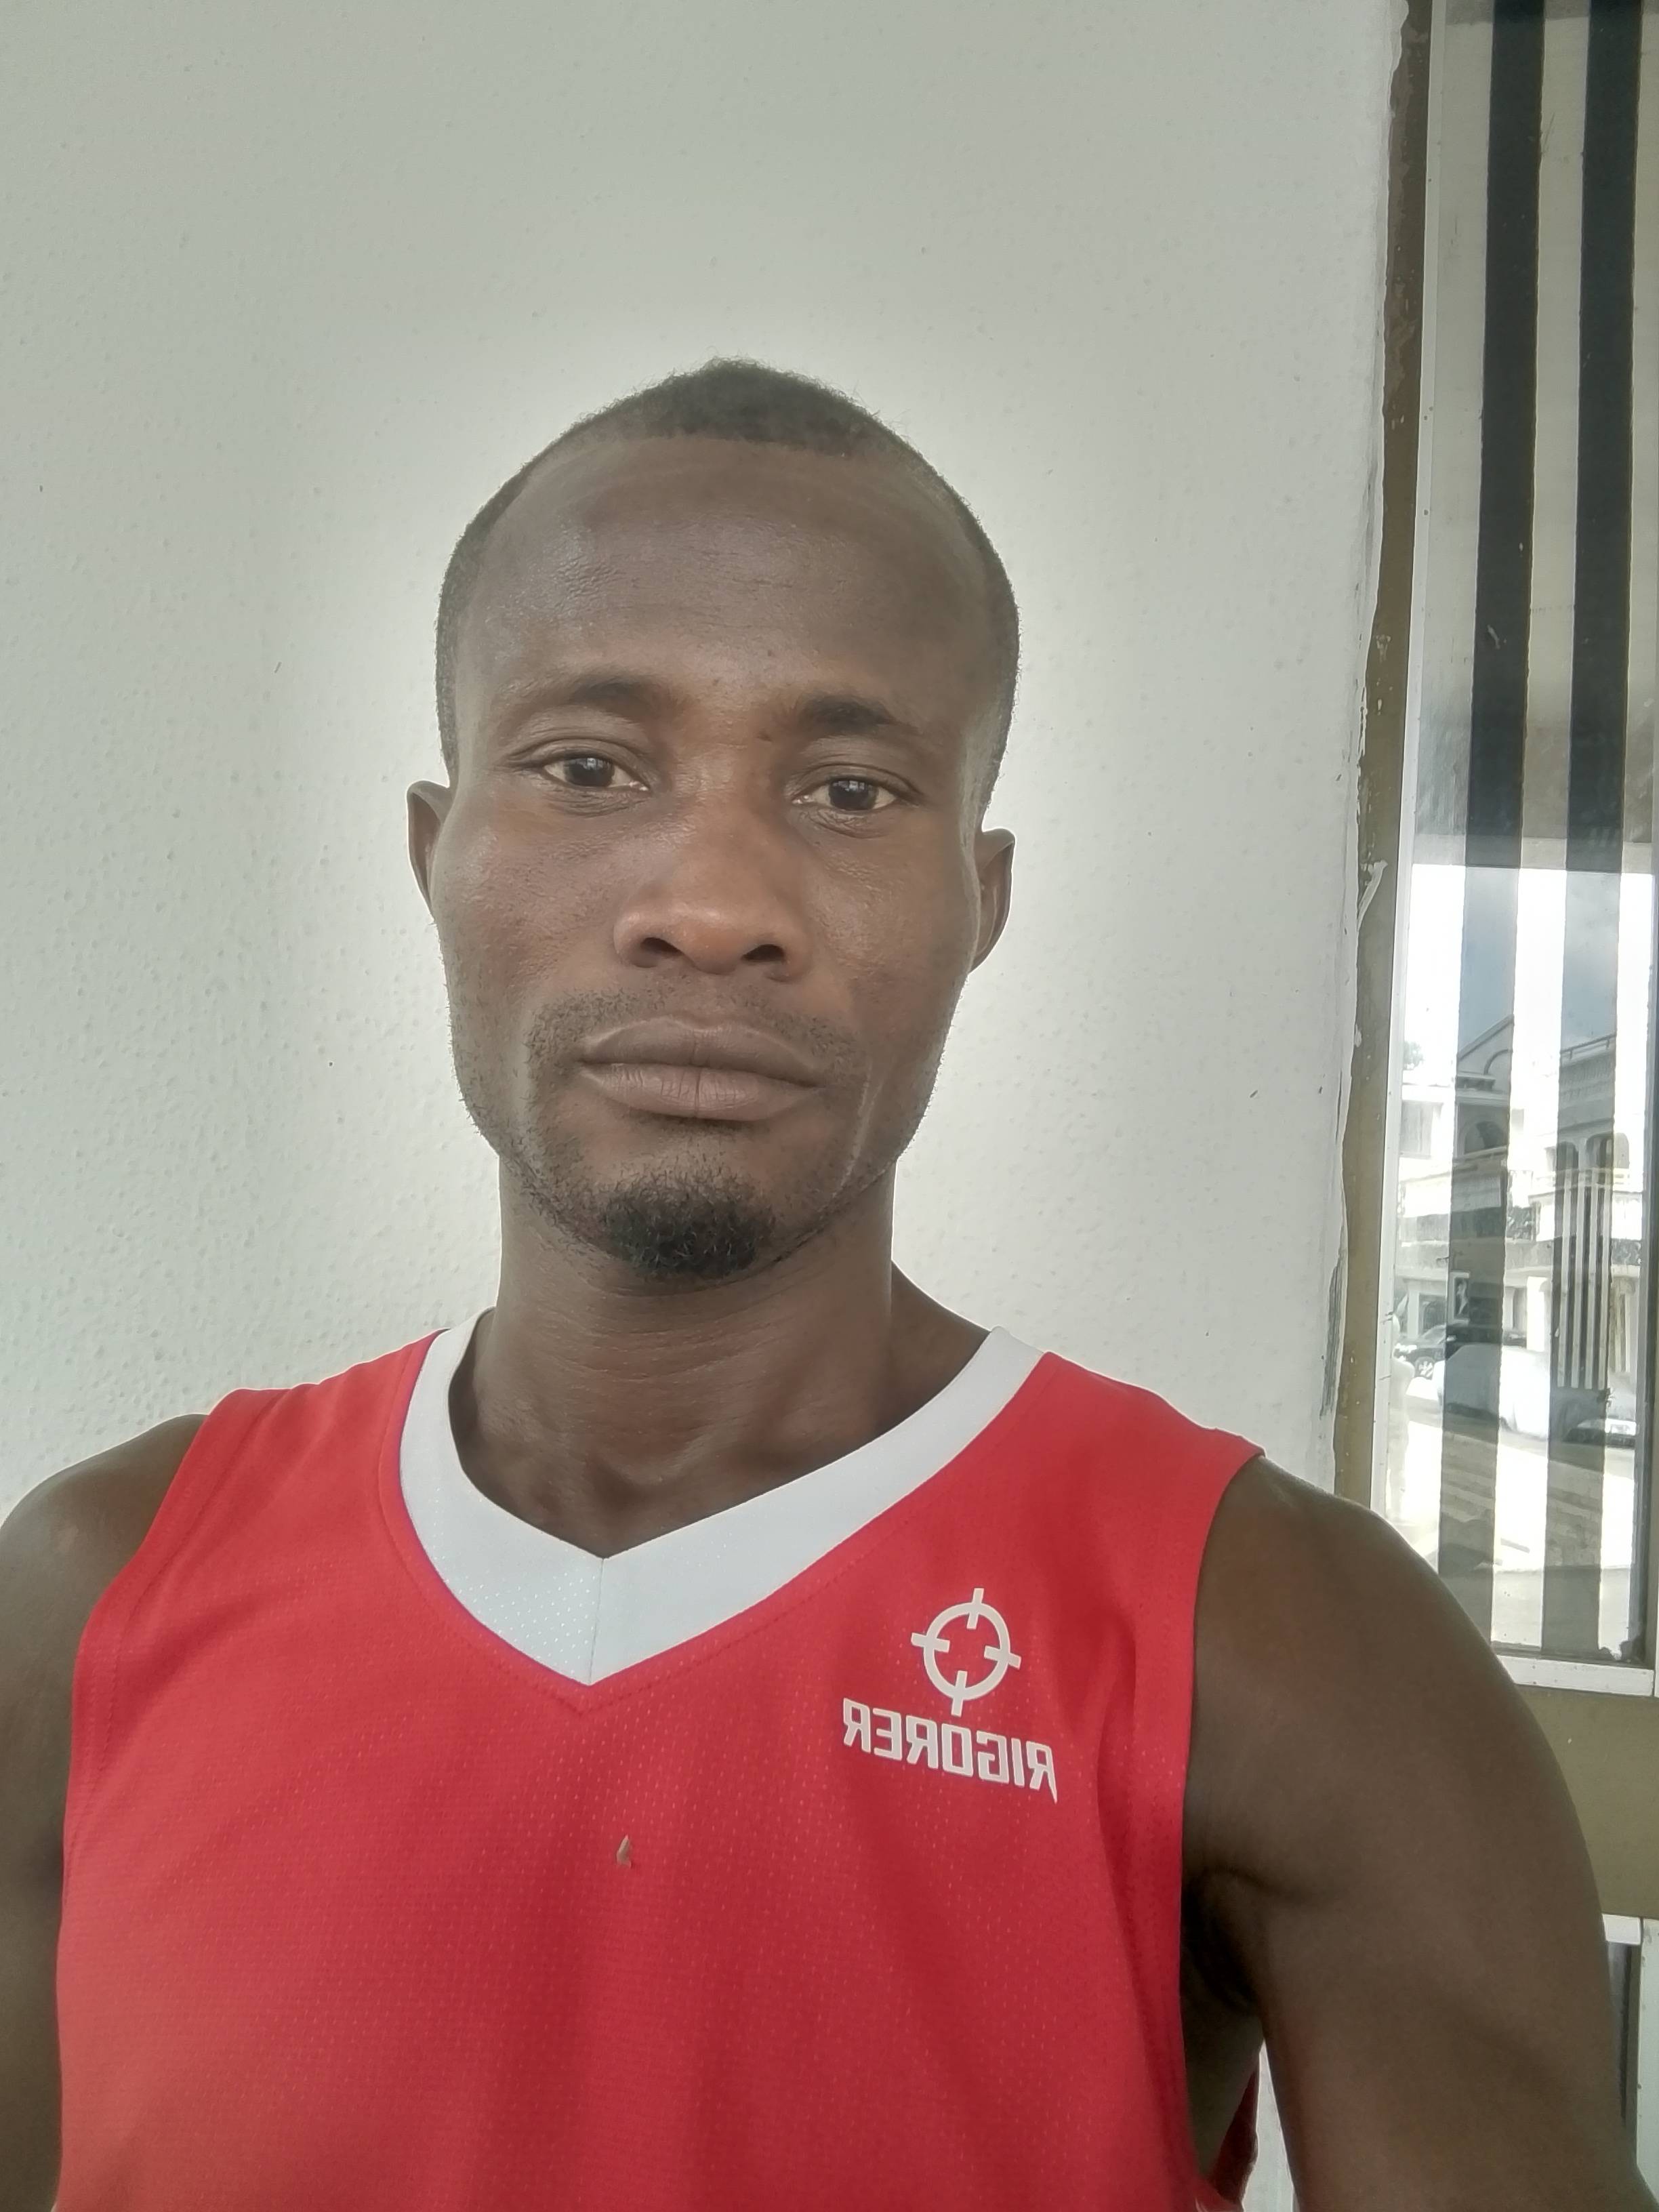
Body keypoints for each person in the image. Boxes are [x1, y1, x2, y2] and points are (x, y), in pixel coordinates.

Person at [1, 359, 1649, 2212]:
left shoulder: (1292, 1648)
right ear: (433, 853)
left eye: (851, 791)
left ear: (982, 902)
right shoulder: (87, 1598)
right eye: (589, 768)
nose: (713, 905)